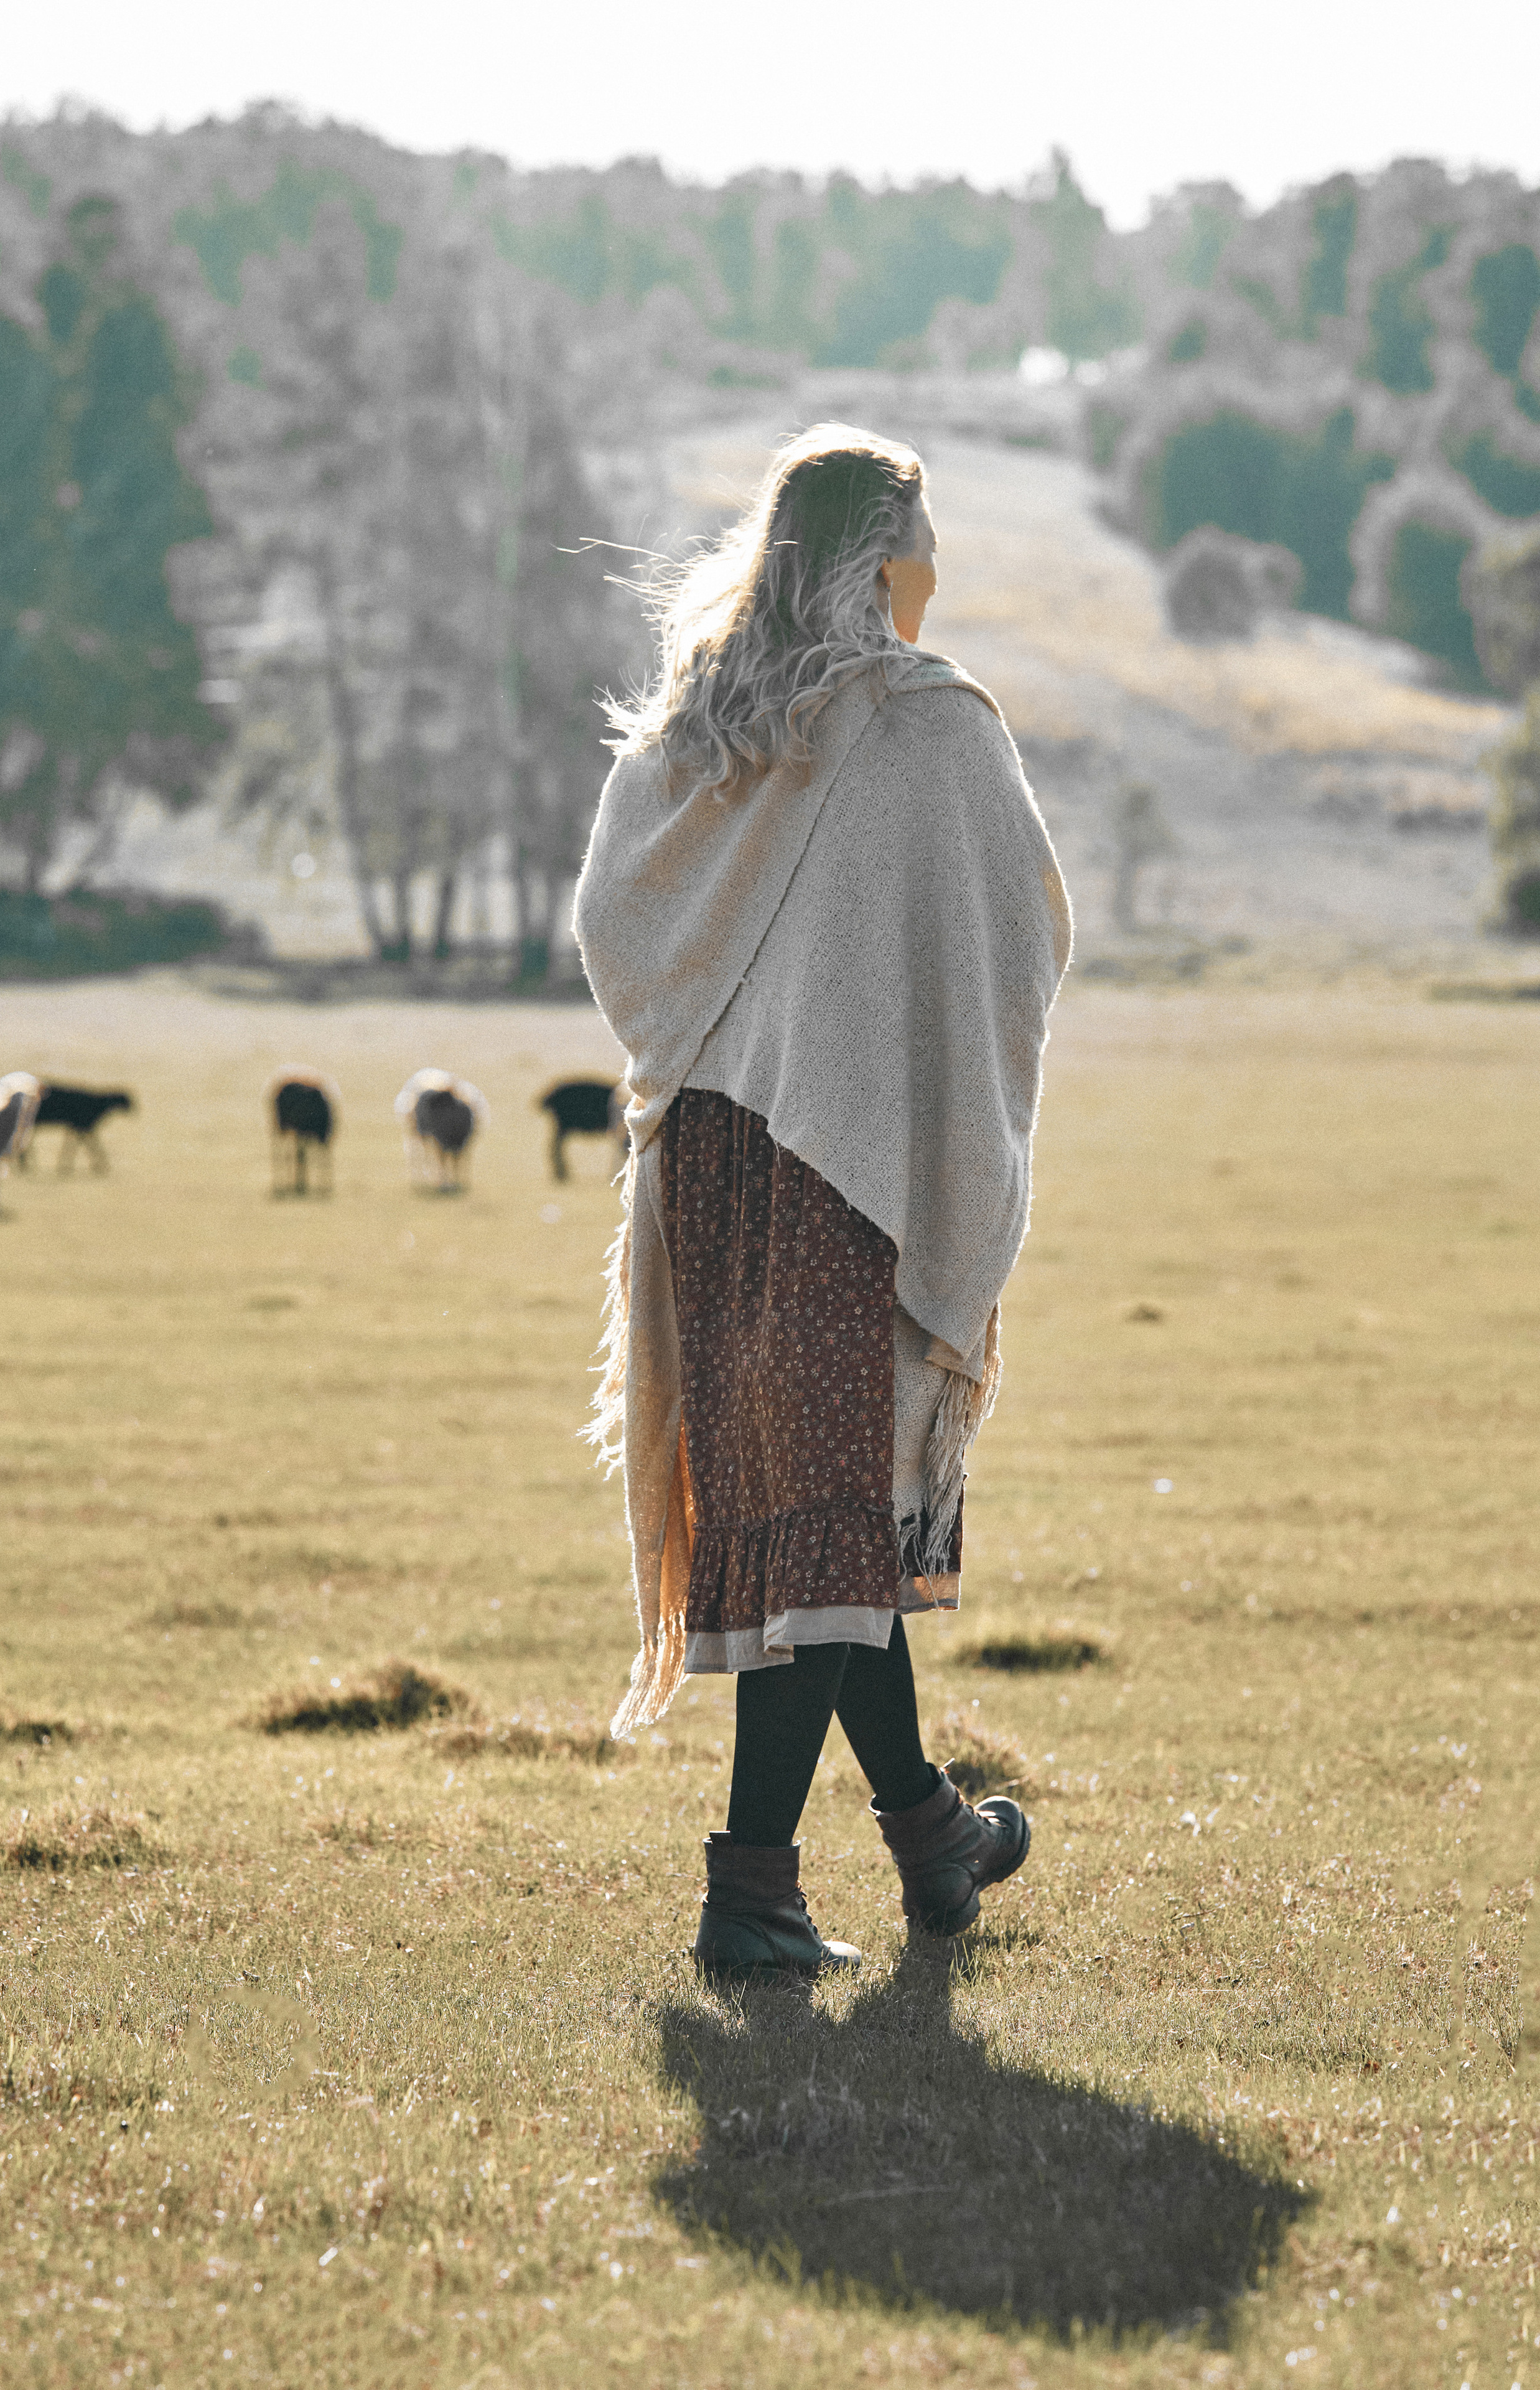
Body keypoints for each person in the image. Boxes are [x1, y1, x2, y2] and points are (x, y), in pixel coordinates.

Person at [574, 423, 1071, 1984]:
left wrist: (719, 1031)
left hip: (708, 1164)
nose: (935, 575)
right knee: (827, 1537)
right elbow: (1026, 932)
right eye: (921, 541)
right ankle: (749, 1893)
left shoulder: (698, 722)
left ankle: (931, 1840)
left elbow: (613, 920)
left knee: (810, 1527)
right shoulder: (925, 725)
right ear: (878, 557)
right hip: (843, 1160)